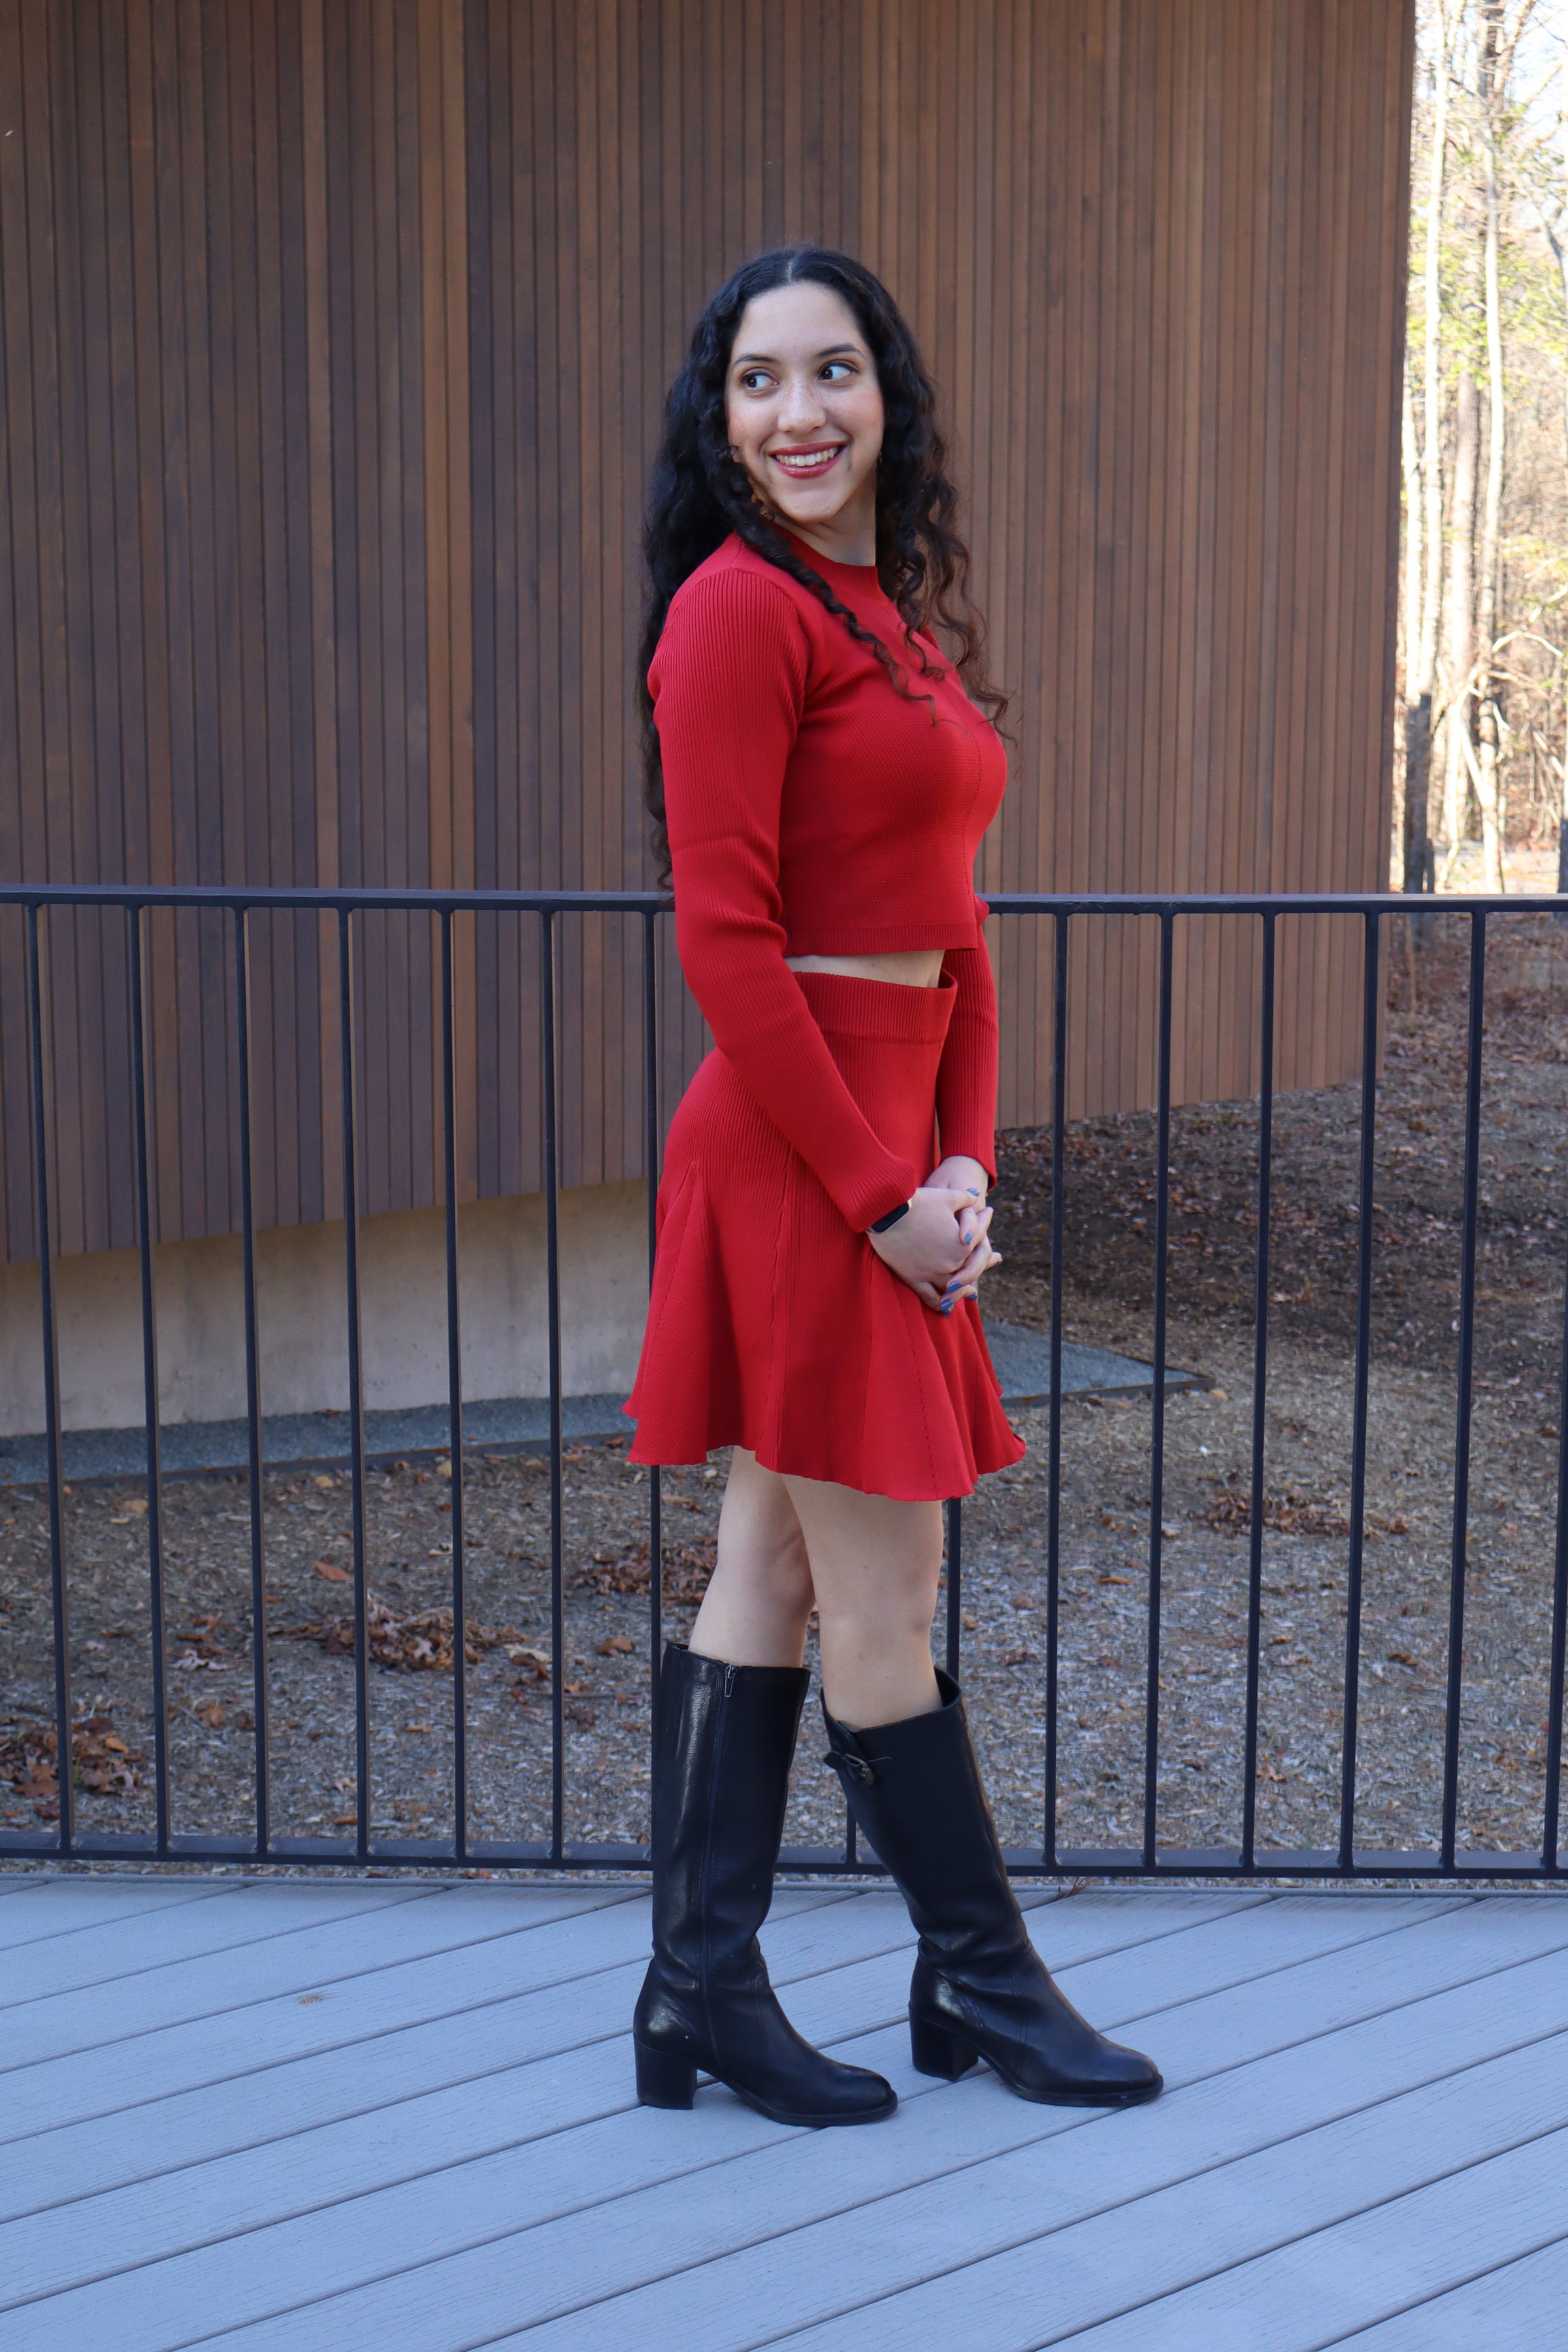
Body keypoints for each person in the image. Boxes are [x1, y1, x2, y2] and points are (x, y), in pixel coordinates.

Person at [625, 246, 1161, 2127]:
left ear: (885, 396)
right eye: (759, 381)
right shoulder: (736, 614)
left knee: (771, 1554)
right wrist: (876, 1197)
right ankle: (990, 1987)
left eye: (831, 372)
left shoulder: (891, 620)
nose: (798, 414)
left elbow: (961, 934)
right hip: (797, 1150)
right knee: (887, 1578)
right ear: (722, 415)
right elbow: (728, 941)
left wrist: (964, 1158)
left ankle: (700, 1991)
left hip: (884, 1143)